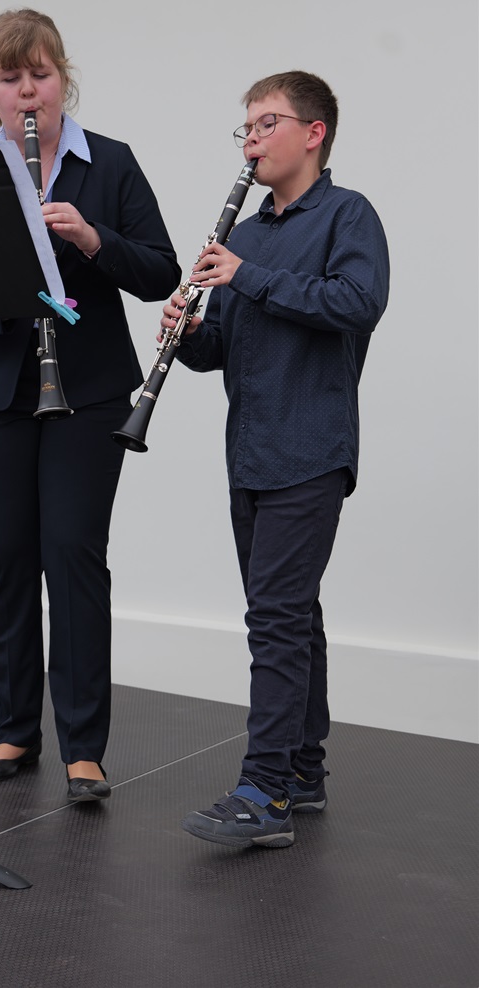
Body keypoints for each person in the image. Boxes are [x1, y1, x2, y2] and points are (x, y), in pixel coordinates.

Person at [160, 71, 389, 847]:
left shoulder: (346, 214)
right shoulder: (246, 236)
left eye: (266, 123)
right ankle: (302, 773)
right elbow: (227, 347)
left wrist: (246, 276)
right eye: (246, 128)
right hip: (249, 449)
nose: (251, 140)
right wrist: (190, 334)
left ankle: (262, 793)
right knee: (292, 616)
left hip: (310, 446)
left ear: (313, 132)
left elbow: (356, 304)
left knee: (275, 620)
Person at [0, 8, 179, 803]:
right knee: (4, 558)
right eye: (9, 77)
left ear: (63, 80)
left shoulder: (109, 163)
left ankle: (83, 746)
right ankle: (16, 729)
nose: (27, 91)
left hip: (86, 390)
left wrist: (91, 240)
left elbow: (160, 272)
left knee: (74, 555)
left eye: (40, 74)